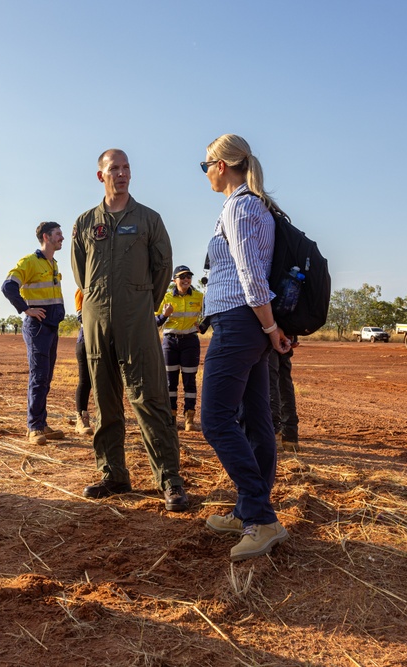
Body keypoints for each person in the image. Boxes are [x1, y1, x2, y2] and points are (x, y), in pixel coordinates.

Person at [70, 149, 188, 512]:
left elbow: (162, 267)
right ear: (100, 175)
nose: (121, 174)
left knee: (150, 398)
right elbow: (80, 272)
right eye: (113, 169)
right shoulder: (86, 222)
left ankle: (169, 480)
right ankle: (113, 474)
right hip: (95, 318)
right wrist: (99, 301)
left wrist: (139, 302)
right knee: (105, 401)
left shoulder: (149, 219)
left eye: (126, 168)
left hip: (136, 318)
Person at [198, 134, 293, 562]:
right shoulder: (252, 205)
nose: (206, 175)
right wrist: (268, 329)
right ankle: (247, 511)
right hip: (248, 322)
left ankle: (261, 515)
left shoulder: (241, 206)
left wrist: (271, 327)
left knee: (215, 419)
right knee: (255, 421)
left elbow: (251, 274)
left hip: (241, 320)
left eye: (205, 167)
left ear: (221, 165)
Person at [2, 221, 66, 445]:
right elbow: (8, 286)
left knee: (46, 377)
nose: (62, 238)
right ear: (46, 237)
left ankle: (41, 423)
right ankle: (34, 428)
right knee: (39, 377)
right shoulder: (29, 262)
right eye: (58, 234)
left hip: (52, 326)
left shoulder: (53, 264)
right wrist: (25, 308)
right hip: (37, 327)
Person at [155, 265, 205, 432]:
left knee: (190, 381)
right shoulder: (165, 297)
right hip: (170, 343)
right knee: (170, 382)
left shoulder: (199, 296)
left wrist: (203, 326)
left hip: (190, 343)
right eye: (182, 277)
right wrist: (164, 315)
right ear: (174, 280)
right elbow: (154, 323)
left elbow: (212, 313)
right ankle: (171, 416)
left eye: (188, 276)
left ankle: (189, 417)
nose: (186, 280)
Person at [269, 337, 300, 452]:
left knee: (269, 381)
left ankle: (273, 434)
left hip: (268, 334)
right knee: (284, 382)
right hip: (286, 338)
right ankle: (290, 436)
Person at [73, 289, 93, 436]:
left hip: (106, 342)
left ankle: (107, 419)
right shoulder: (82, 290)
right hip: (86, 341)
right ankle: (81, 419)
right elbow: (82, 317)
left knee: (104, 382)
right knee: (85, 381)